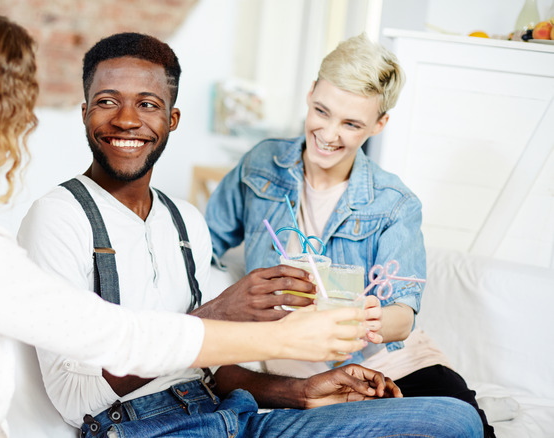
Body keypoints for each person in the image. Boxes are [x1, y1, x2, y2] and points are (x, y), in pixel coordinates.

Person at [0, 6, 378, 438]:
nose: (25, 120)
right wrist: (280, 337)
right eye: (17, 101)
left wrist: (295, 387)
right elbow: (116, 341)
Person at [17, 31, 482, 438]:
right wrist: (219, 312)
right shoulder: (58, 218)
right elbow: (76, 399)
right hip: (144, 426)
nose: (126, 120)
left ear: (171, 120)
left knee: (456, 422)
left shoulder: (184, 221)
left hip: (231, 416)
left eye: (148, 104)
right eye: (106, 101)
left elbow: (213, 370)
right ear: (83, 113)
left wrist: (300, 393)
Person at [204, 33, 494, 436]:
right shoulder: (260, 167)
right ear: (310, 94)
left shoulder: (394, 203)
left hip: (386, 361)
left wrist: (373, 319)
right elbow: (202, 247)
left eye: (351, 124)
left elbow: (402, 318)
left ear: (379, 124)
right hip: (292, 362)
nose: (328, 133)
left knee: (466, 425)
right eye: (322, 111)